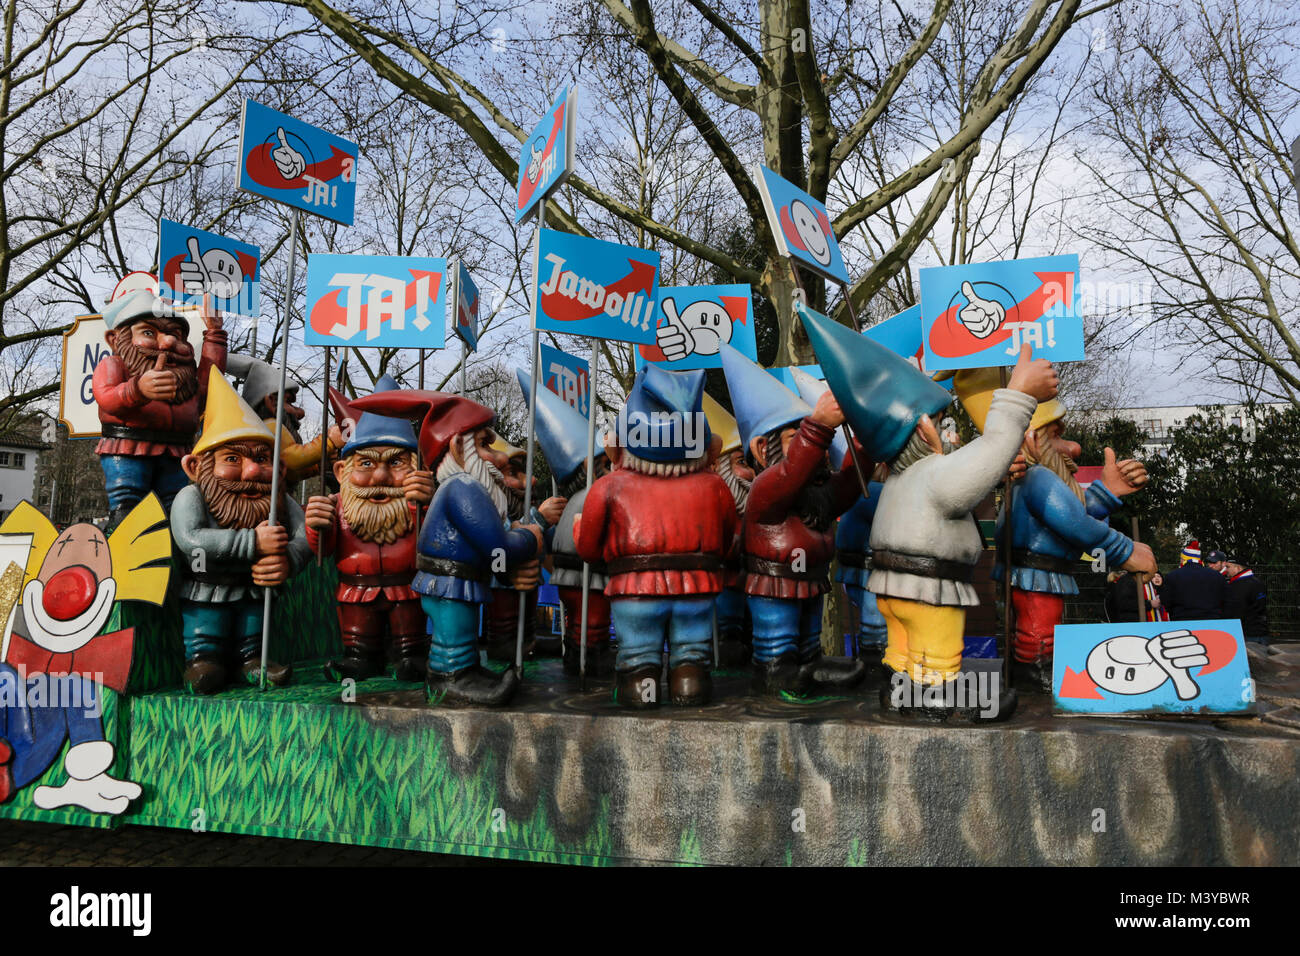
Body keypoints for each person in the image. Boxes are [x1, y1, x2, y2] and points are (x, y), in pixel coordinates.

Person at [802, 305, 1056, 720]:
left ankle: (897, 691)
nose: (948, 430)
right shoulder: (934, 475)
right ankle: (940, 700)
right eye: (941, 422)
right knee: (937, 654)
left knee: (902, 652)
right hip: (929, 590)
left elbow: (977, 467)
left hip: (891, 589)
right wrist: (1019, 395)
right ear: (923, 429)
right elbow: (987, 454)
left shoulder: (897, 482)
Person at [953, 367, 1155, 690]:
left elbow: (1073, 511)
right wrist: (1126, 551)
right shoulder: (1039, 479)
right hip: (1038, 576)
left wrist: (1107, 492)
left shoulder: (1034, 481)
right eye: (1058, 435)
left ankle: (1032, 669)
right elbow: (1076, 525)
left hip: (1035, 572)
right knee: (1039, 626)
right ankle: (1036, 673)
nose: (1073, 448)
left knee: (1035, 623)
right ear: (1033, 438)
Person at [347, 388, 544, 707]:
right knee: (454, 632)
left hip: (456, 579)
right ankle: (449, 679)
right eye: (484, 444)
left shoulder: (463, 488)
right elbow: (497, 548)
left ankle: (466, 672)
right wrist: (531, 537)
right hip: (448, 581)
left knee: (460, 630)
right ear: (458, 445)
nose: (496, 458)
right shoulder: (463, 488)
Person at [574, 366, 738, 707]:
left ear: (617, 445)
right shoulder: (716, 487)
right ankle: (689, 686)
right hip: (697, 589)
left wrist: (579, 530)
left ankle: (640, 688)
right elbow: (725, 543)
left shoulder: (608, 487)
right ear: (709, 445)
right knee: (692, 653)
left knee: (638, 654)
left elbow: (588, 550)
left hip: (634, 592)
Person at [719, 344, 867, 697]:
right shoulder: (769, 486)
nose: (810, 448)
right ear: (761, 449)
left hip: (811, 580)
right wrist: (817, 427)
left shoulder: (818, 491)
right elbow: (791, 472)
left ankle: (809, 667)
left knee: (807, 639)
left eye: (808, 436)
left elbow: (847, 488)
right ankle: (777, 673)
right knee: (778, 639)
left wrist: (864, 446)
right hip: (774, 585)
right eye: (794, 438)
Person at [171, 368, 312, 693]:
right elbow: (190, 541)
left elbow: (304, 536)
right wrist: (251, 541)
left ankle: (253, 661)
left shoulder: (278, 499)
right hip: (207, 586)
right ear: (196, 466)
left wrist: (289, 559)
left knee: (254, 628)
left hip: (255, 588)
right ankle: (203, 661)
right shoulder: (192, 497)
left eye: (262, 459)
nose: (251, 471)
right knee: (208, 629)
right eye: (233, 458)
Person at [305, 375, 434, 683]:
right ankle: (361, 659)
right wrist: (316, 526)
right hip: (355, 590)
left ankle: (410, 656)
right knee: (359, 638)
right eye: (365, 464)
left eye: (397, 463)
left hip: (407, 590)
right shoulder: (338, 507)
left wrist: (424, 506)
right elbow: (323, 550)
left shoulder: (418, 505)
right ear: (341, 471)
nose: (380, 476)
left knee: (409, 637)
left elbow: (433, 543)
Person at [94, 290, 226, 529]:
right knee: (128, 503)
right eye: (148, 332)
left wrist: (214, 334)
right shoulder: (113, 365)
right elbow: (106, 396)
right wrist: (137, 390)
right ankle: (126, 554)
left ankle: (172, 557)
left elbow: (212, 381)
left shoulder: (187, 381)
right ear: (115, 339)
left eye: (175, 335)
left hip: (177, 451)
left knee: (176, 507)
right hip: (128, 449)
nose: (167, 343)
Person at [1158, 545, 1225, 620]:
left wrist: (1175, 612)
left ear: (1183, 559)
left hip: (1182, 620)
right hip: (1212, 621)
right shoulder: (1217, 575)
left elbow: (1165, 600)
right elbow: (1225, 600)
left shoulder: (1172, 575)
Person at [1223, 555, 1269, 643]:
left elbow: (1236, 611)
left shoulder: (1238, 585)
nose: (1226, 570)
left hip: (1246, 634)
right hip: (1262, 631)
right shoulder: (1258, 582)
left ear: (1238, 568)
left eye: (1228, 567)